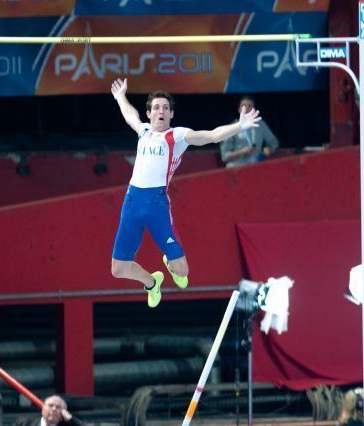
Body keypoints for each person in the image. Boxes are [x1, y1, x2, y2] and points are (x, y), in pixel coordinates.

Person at [109, 78, 261, 307]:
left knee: (182, 272)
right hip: (131, 202)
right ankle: (152, 283)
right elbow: (130, 115)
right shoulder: (144, 130)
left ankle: (171, 264)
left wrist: (240, 125)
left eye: (165, 108)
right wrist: (120, 96)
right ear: (149, 113)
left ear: (171, 114)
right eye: (156, 108)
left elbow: (212, 135)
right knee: (118, 269)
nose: (161, 111)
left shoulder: (178, 136)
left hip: (156, 204)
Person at [220, 95, 279, 168]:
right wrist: (241, 152)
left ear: (254, 110)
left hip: (255, 168)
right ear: (239, 109)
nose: (247, 109)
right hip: (235, 169)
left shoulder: (260, 125)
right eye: (244, 106)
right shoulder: (231, 128)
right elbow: (225, 156)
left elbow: (274, 142)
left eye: (250, 106)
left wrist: (270, 149)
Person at [14, 395, 85, 426]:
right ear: (43, 408)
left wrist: (70, 418)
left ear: (63, 413)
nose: (54, 409)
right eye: (50, 405)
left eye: (58, 407)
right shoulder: (24, 423)